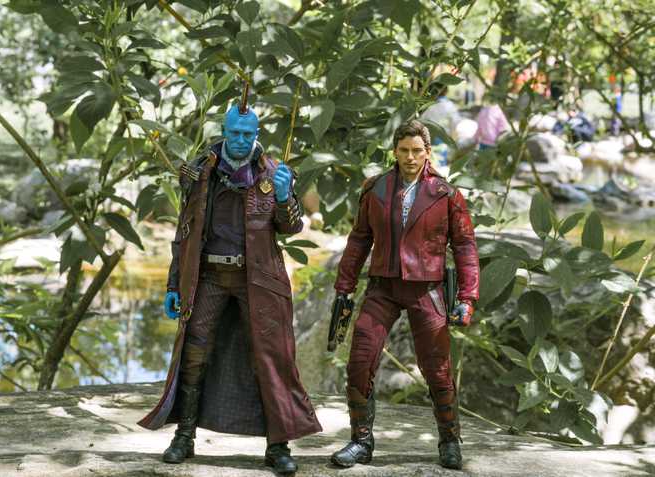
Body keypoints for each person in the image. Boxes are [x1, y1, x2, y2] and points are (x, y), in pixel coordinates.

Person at [137, 100, 322, 475]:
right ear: (223, 131)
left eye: (247, 134)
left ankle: (278, 447)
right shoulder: (200, 171)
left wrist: (284, 197)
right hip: (208, 277)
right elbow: (184, 233)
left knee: (270, 358)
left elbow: (291, 228)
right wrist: (174, 284)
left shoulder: (273, 171)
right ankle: (184, 437)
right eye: (234, 133)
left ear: (257, 135)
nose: (240, 140)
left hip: (259, 281)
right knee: (194, 354)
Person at [329, 120, 480, 470]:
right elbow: (359, 240)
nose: (410, 157)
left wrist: (467, 298)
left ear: (427, 152)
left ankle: (449, 440)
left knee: (437, 368)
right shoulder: (376, 189)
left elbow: (465, 246)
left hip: (426, 289)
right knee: (360, 360)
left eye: (416, 151)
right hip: (382, 287)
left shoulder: (446, 194)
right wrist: (344, 288)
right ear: (394, 152)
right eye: (404, 151)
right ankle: (361, 441)